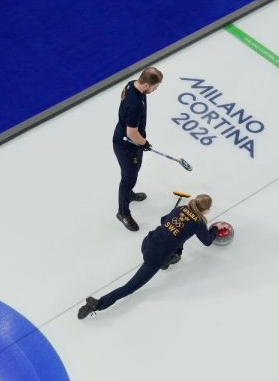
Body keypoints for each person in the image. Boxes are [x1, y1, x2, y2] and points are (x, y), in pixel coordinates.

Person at [78, 194, 219, 319]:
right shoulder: (199, 224)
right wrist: (214, 230)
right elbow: (207, 242)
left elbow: (163, 220)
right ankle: (98, 304)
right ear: (206, 210)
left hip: (147, 242)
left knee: (176, 241)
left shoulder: (180, 208)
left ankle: (168, 260)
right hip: (156, 257)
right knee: (130, 287)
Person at [113, 67, 163, 231]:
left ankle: (129, 195)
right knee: (128, 179)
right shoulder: (135, 104)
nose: (156, 90)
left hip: (132, 142)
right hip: (127, 145)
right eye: (155, 87)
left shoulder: (131, 84)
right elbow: (131, 132)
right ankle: (123, 212)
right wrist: (144, 143)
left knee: (135, 171)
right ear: (147, 84)